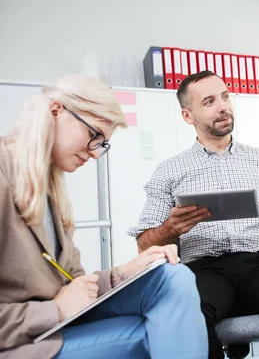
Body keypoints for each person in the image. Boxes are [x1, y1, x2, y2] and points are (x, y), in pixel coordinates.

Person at [127, 70, 259, 359]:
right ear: (188, 116)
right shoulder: (169, 171)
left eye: (225, 97)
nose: (223, 106)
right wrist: (171, 228)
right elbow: (145, 244)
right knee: (188, 318)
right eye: (210, 101)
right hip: (203, 270)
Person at [0, 74, 209, 359]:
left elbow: (75, 288)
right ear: (56, 111)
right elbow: (64, 302)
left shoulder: (51, 193)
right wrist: (55, 310)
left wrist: (126, 272)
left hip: (54, 327)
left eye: (102, 144)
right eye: (94, 135)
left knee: (172, 276)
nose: (97, 154)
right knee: (156, 333)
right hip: (23, 344)